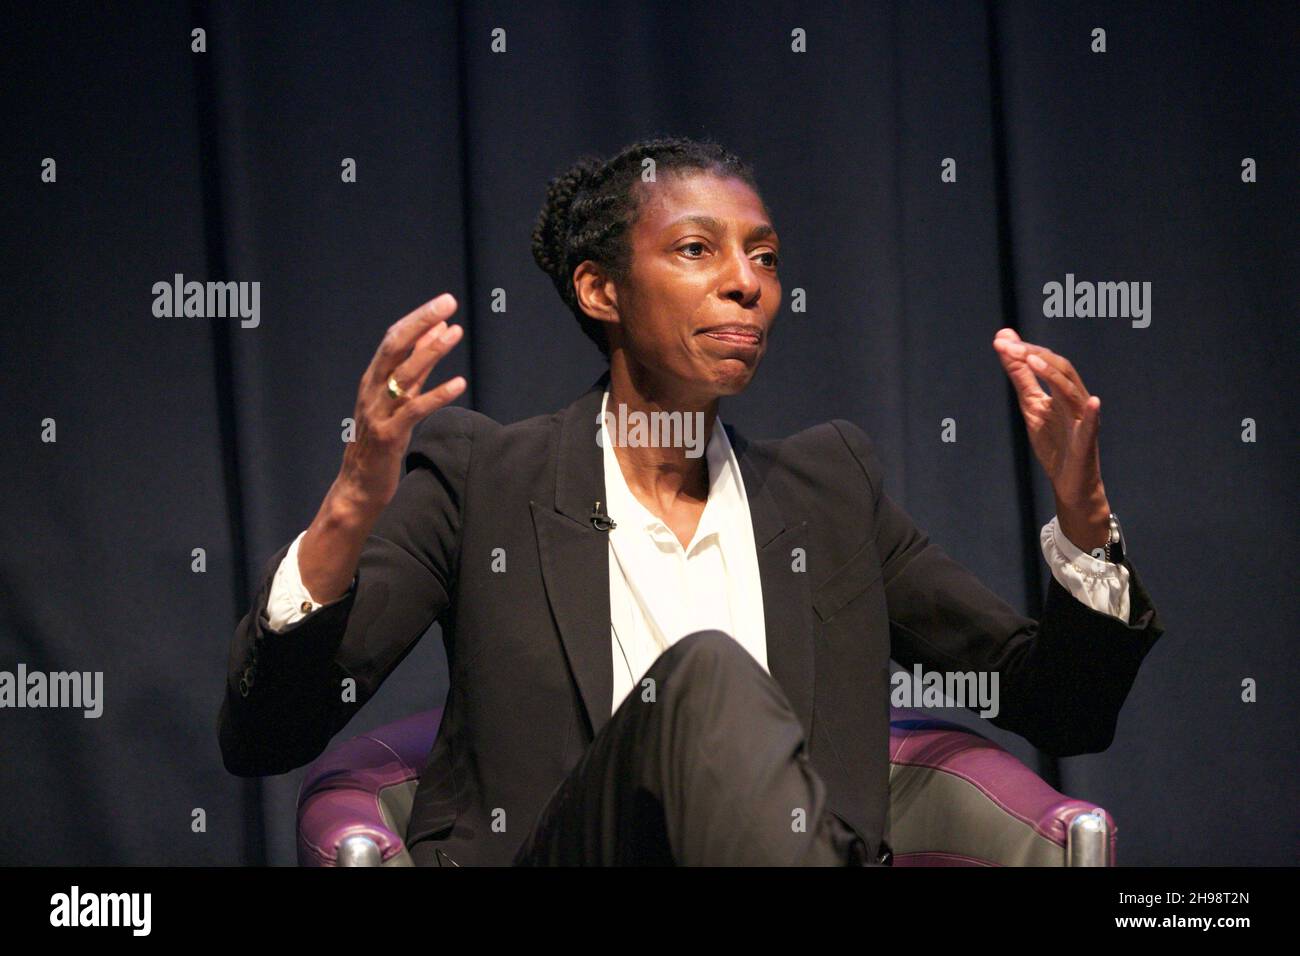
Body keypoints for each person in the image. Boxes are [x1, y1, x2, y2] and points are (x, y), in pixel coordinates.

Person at [218, 136, 1165, 867]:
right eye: (697, 249)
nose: (745, 283)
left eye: (764, 257)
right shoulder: (483, 479)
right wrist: (350, 503)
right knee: (704, 676)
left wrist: (1084, 514)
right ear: (601, 289)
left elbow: (1061, 710)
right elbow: (270, 735)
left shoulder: (830, 491)